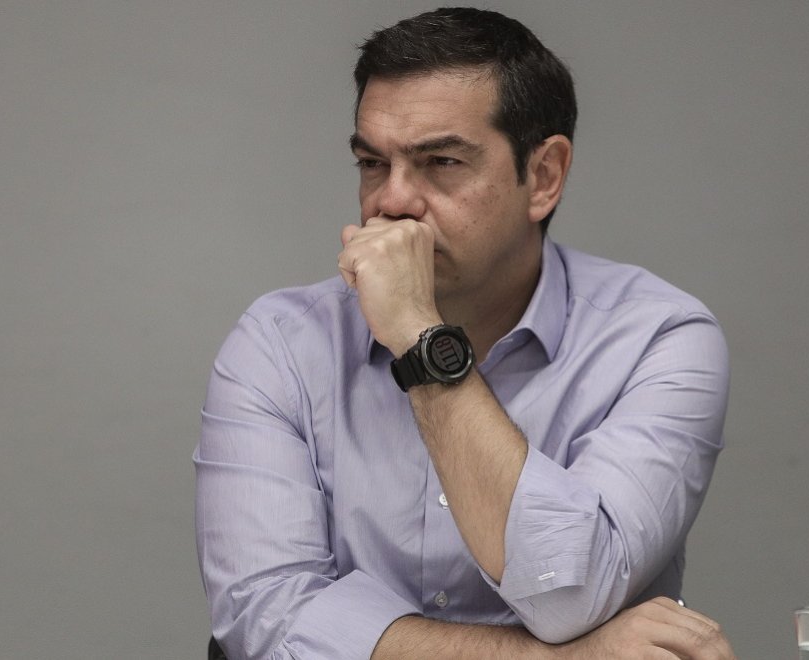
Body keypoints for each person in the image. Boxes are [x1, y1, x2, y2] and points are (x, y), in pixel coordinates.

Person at [195, 8, 734, 659]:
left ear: (544, 176)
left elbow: (568, 590)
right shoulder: (280, 343)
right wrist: (559, 659)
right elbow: (265, 619)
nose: (391, 201)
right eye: (372, 162)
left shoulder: (657, 339)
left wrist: (418, 337)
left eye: (441, 161)